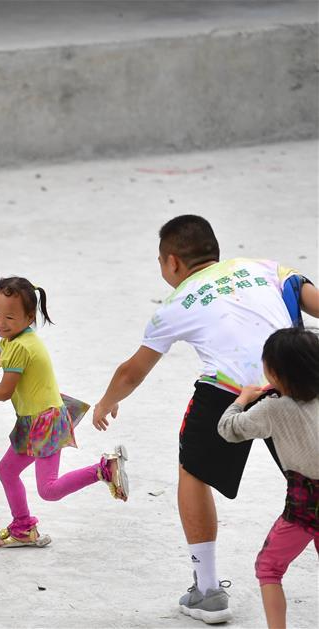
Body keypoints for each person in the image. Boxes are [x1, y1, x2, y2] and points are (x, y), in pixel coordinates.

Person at [91, 215, 318, 624]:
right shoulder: (264, 268)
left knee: (192, 471)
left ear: (172, 262)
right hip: (298, 381)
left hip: (233, 392)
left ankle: (208, 591)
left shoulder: (175, 304)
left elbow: (132, 371)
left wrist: (106, 402)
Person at [0, 277, 128, 548]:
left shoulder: (21, 347)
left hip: (45, 423)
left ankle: (103, 470)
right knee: (7, 471)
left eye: (9, 317)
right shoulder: (15, 339)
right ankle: (23, 527)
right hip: (35, 420)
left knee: (48, 489)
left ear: (28, 317)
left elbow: (3, 391)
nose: (0, 322)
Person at [217, 327, 318, 629]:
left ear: (273, 373)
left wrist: (243, 399)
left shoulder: (272, 409)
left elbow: (228, 429)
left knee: (269, 568)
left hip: (304, 505)